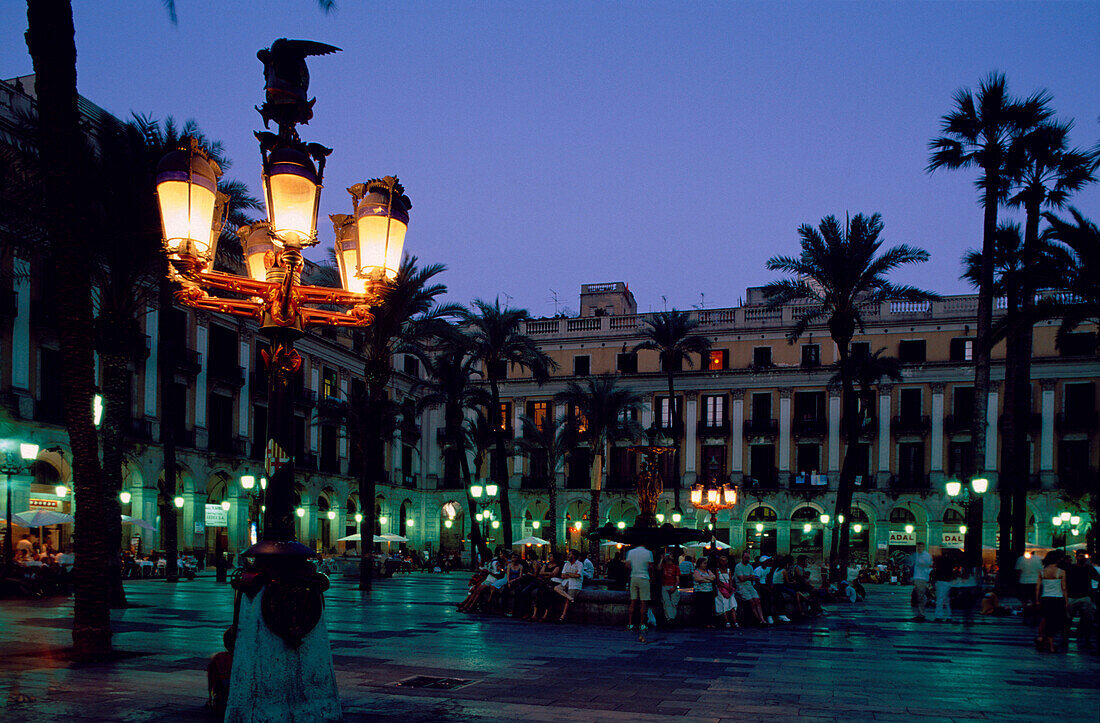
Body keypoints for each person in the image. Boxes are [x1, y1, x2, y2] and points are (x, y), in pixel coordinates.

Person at [1064, 551, 1099, 650]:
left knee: (1087, 619)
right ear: (1076, 557)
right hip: (1074, 596)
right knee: (1068, 619)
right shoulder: (1071, 568)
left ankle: (1085, 640)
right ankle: (1066, 639)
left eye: (1084, 556)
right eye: (1080, 556)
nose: (1082, 558)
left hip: (1083, 596)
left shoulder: (1088, 568)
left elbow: (1097, 578)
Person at [1035, 551, 1066, 653]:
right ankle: (1051, 644)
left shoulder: (1042, 572)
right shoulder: (1061, 572)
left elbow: (1038, 587)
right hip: (1057, 598)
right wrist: (1066, 601)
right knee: (1055, 621)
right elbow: (1064, 588)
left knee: (1045, 619)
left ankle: (1041, 637)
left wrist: (1037, 600)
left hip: (1045, 598)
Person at [625, 542, 654, 632]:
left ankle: (630, 623)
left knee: (633, 601)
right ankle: (642, 624)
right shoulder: (648, 553)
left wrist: (634, 569)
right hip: (644, 578)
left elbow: (627, 565)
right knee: (643, 602)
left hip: (634, 577)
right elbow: (651, 566)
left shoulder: (631, 552)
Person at [734, 550, 768, 625]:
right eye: (745, 557)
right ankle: (759, 620)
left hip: (749, 585)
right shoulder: (738, 566)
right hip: (741, 586)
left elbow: (752, 577)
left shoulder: (750, 566)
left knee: (757, 600)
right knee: (751, 602)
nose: (747, 559)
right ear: (742, 558)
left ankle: (762, 619)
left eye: (748, 558)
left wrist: (747, 577)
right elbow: (741, 579)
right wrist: (749, 577)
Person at [553, 549, 584, 622]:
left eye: (569, 554)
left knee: (567, 601)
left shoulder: (579, 564)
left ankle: (562, 616)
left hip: (575, 584)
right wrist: (572, 574)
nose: (568, 555)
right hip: (566, 582)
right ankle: (570, 598)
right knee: (556, 588)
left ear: (574, 556)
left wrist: (569, 574)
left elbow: (578, 575)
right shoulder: (566, 564)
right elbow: (562, 575)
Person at [714, 554, 738, 628]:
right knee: (724, 604)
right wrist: (726, 587)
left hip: (728, 589)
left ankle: (735, 621)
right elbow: (718, 582)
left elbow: (730, 580)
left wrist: (730, 587)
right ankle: (727, 621)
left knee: (732, 604)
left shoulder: (728, 570)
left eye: (725, 561)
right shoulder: (717, 570)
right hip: (722, 589)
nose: (724, 562)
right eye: (722, 561)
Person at [910, 542, 932, 621]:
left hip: (922, 578)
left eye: (920, 547)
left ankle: (921, 614)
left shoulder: (926, 556)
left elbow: (928, 565)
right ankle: (920, 613)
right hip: (917, 577)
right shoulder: (917, 555)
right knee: (918, 596)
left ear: (923, 547)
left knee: (920, 596)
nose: (919, 548)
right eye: (918, 547)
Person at [931, 551, 956, 623]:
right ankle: (949, 615)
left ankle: (939, 615)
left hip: (941, 581)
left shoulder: (940, 562)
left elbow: (936, 572)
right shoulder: (951, 562)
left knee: (940, 599)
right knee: (946, 599)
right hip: (948, 581)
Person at [692, 557, 716, 627]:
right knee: (702, 608)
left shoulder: (708, 571)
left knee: (710, 608)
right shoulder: (696, 571)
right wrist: (708, 579)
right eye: (704, 563)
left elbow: (713, 577)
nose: (706, 565)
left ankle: (710, 622)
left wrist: (704, 577)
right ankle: (703, 623)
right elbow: (698, 579)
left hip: (709, 591)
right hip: (700, 592)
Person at [659, 551, 681, 624]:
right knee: (667, 603)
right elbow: (658, 568)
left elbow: (677, 579)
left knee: (674, 603)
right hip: (665, 585)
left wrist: (674, 587)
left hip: (672, 585)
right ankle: (670, 618)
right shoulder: (663, 565)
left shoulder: (675, 567)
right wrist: (662, 559)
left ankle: (671, 618)